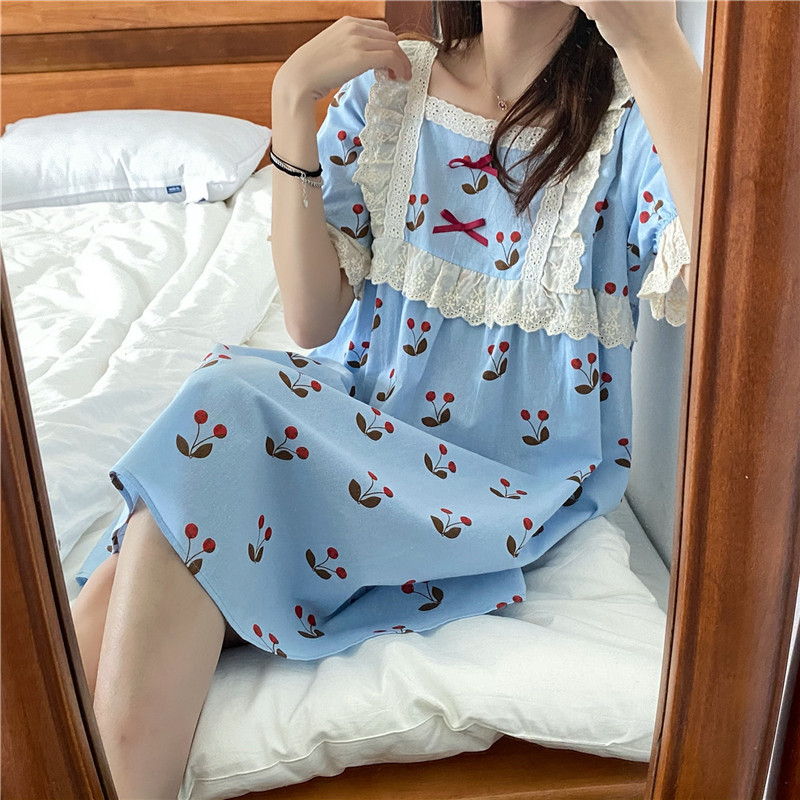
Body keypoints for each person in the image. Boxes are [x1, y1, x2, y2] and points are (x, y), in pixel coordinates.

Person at [71, 1, 702, 797]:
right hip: (350, 433)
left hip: (487, 487)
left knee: (211, 426)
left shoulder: (632, 118)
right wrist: (291, 100)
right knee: (157, 528)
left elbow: (738, 267)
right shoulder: (389, 90)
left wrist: (650, 37)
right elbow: (312, 320)